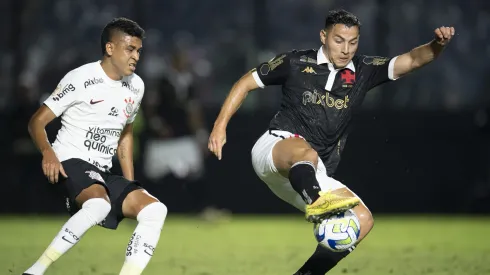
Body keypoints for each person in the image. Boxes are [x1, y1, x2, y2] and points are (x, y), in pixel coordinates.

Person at [208, 9, 454, 275]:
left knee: (362, 220)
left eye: (353, 41)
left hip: (311, 174)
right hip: (276, 149)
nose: (346, 49)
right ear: (324, 36)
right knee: (305, 153)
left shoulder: (364, 70)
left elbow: (413, 59)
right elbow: (245, 82)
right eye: (339, 40)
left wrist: (437, 45)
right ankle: (320, 205)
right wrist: (219, 127)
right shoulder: (295, 62)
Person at [23, 18, 167, 275]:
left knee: (155, 210)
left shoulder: (136, 86)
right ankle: (35, 271)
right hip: (69, 161)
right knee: (99, 205)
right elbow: (37, 122)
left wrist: (129, 183)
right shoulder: (81, 78)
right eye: (130, 49)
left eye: (139, 51)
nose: (136, 56)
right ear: (110, 49)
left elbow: (126, 134)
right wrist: (48, 153)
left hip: (101, 171)